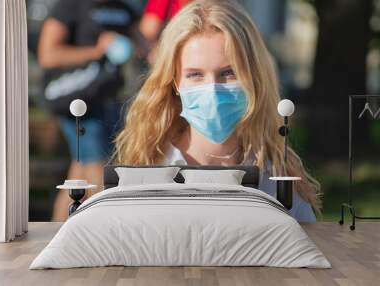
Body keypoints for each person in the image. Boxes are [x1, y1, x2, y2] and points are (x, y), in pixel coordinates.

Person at [111, 0, 321, 222]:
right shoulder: (146, 174)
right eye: (195, 74)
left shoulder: (278, 182)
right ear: (174, 81)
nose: (212, 89)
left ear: (254, 76)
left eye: (229, 72)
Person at [38, 0, 138, 221]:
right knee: (99, 175)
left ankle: (55, 238)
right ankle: (104, 238)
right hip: (78, 103)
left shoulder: (124, 8)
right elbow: (48, 54)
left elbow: (145, 45)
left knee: (77, 179)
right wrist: (97, 50)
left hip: (108, 103)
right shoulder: (70, 6)